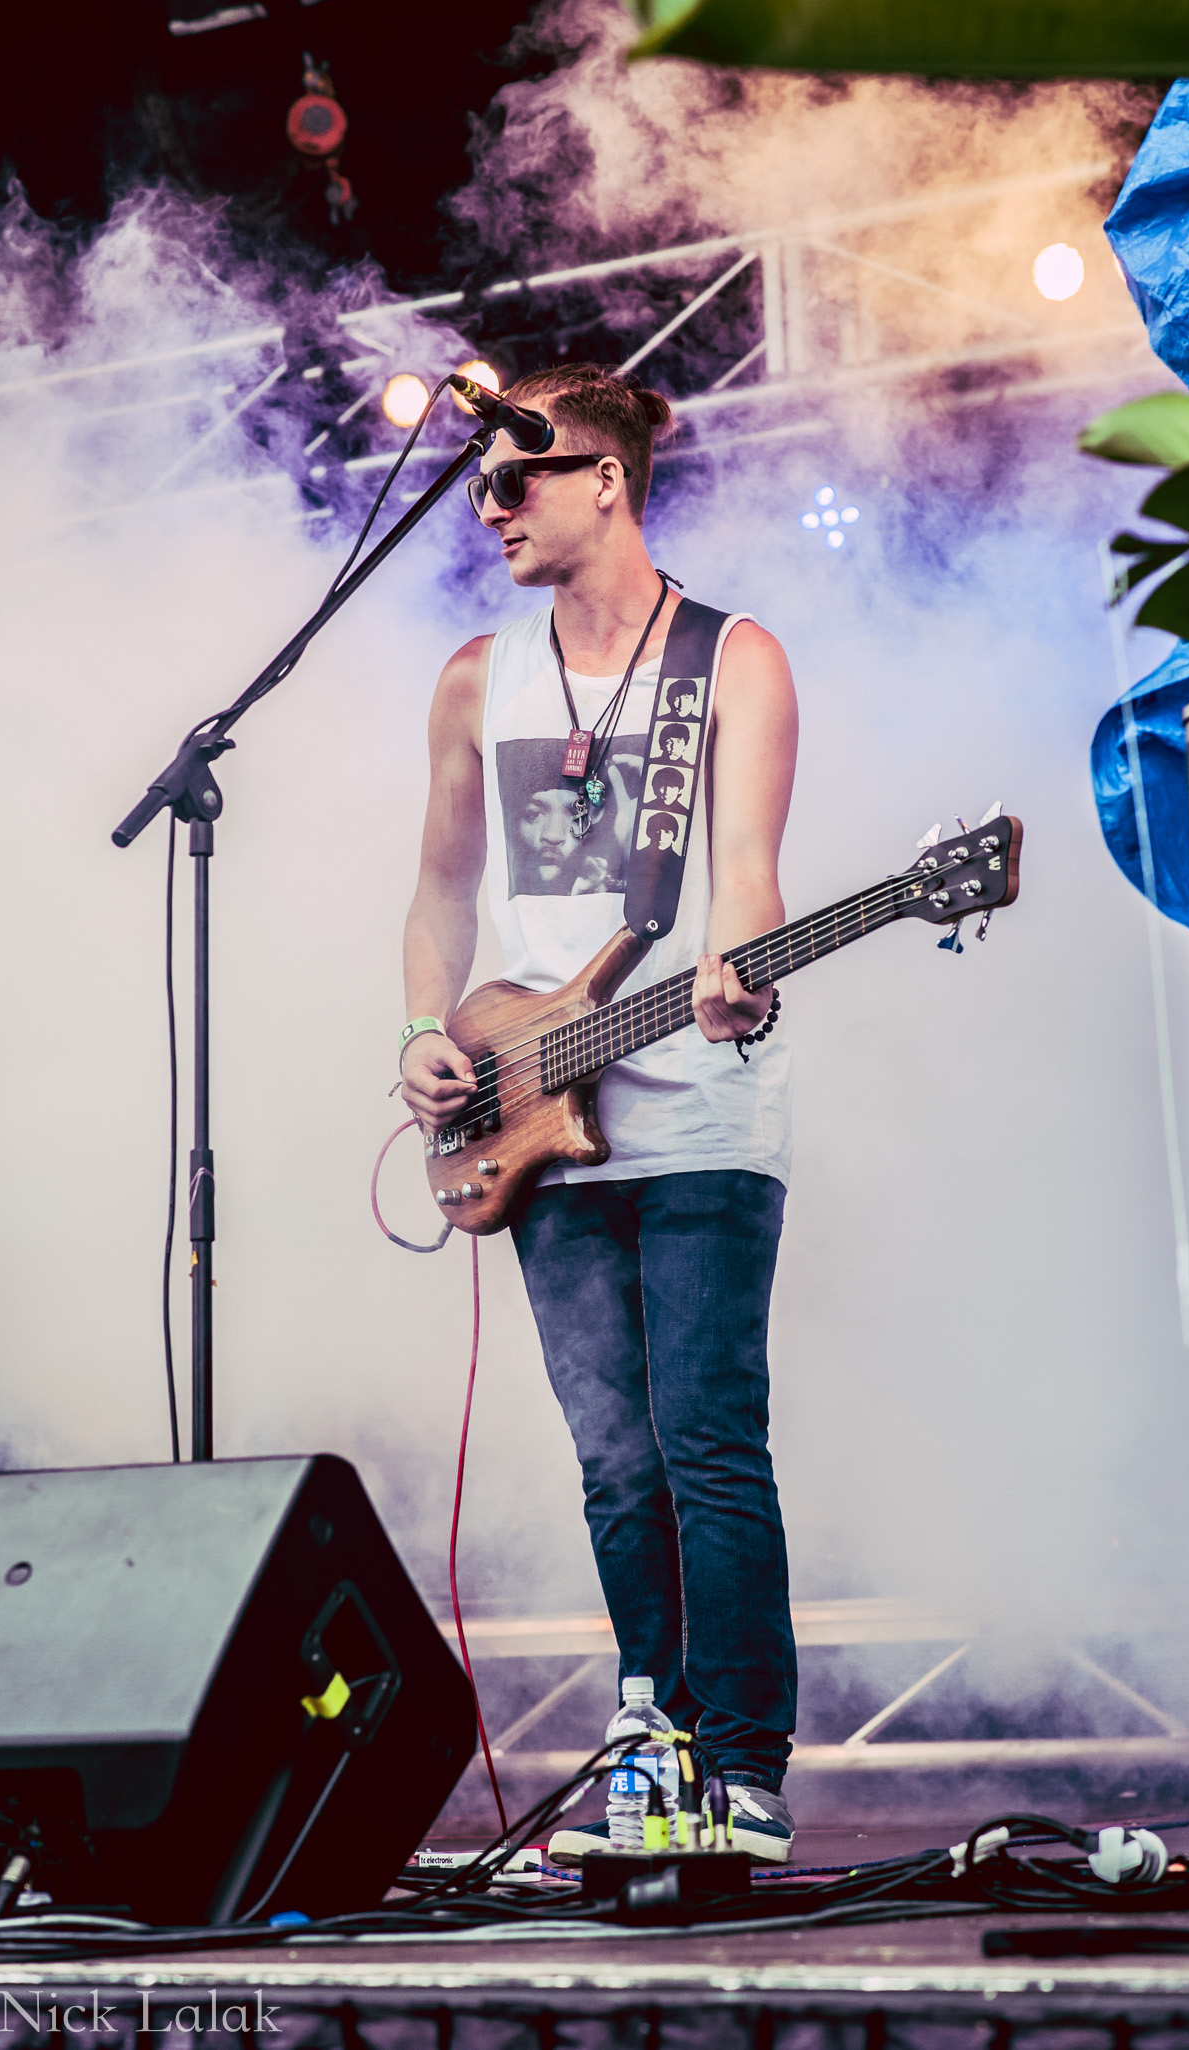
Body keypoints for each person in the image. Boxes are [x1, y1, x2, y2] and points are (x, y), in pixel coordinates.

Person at [399, 363, 799, 1863]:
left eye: (517, 481)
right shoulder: (474, 676)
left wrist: (740, 972)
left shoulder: (732, 658)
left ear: (605, 481)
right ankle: (654, 1727)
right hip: (530, 1114)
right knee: (614, 1458)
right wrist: (423, 1034)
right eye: (482, 488)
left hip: (699, 1116)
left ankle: (743, 1764)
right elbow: (440, 892)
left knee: (706, 1438)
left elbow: (744, 878)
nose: (490, 508)